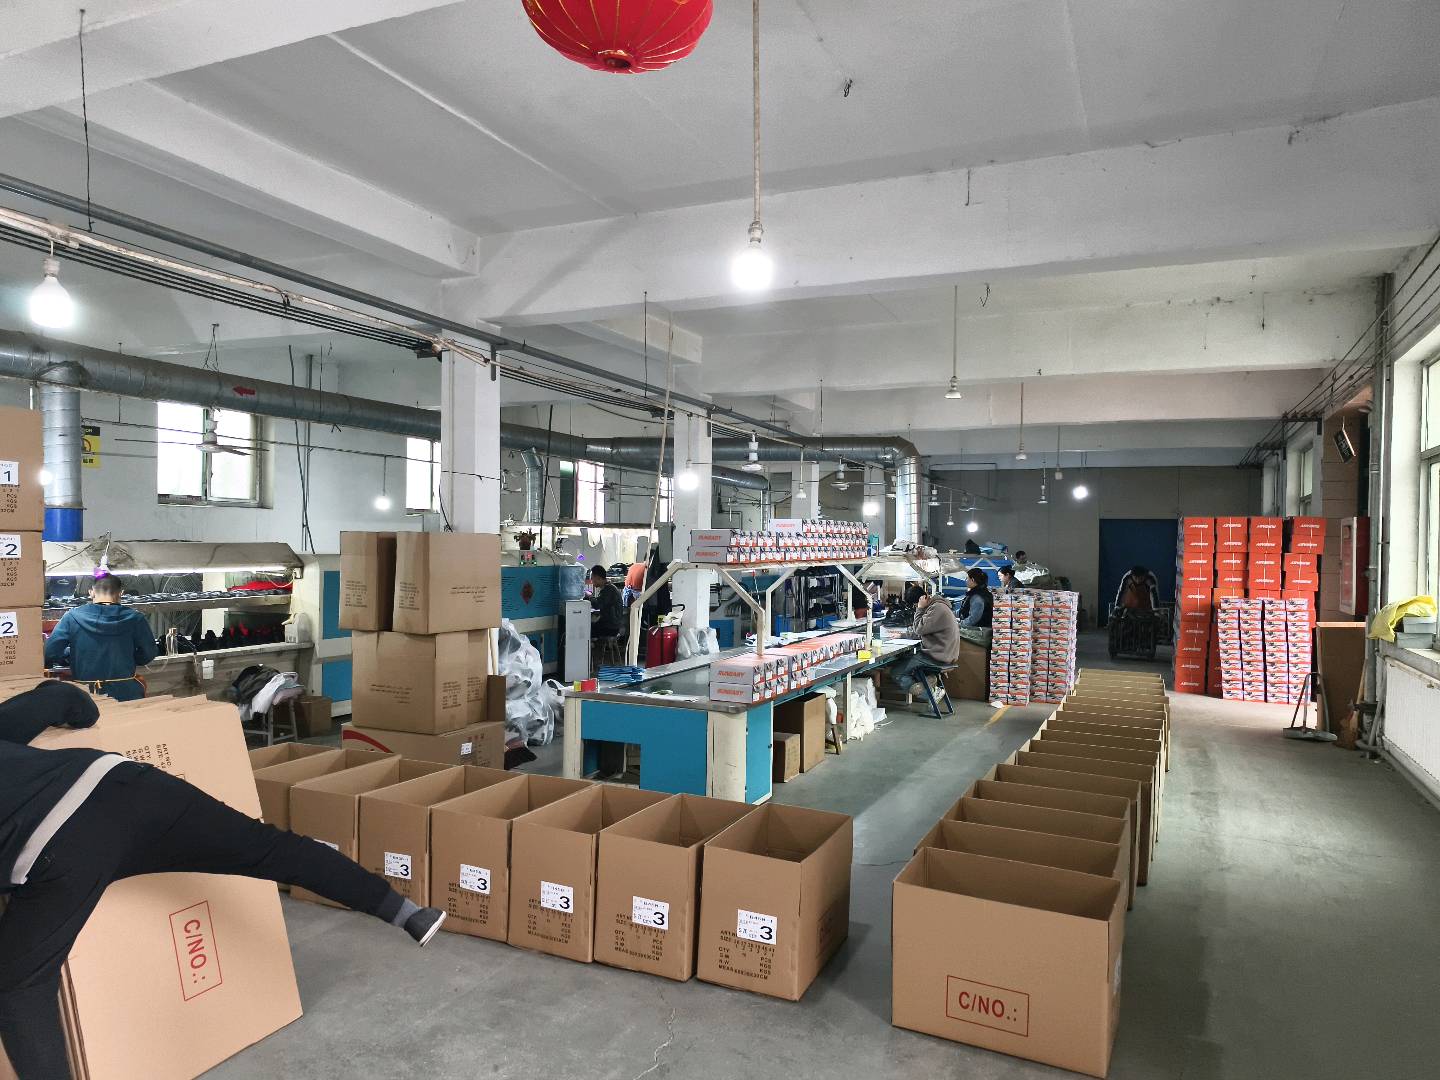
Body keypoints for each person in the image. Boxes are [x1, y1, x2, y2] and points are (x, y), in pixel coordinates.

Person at [0, 681, 446, 1079]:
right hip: (126, 784)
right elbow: (66, 699)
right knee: (272, 850)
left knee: (19, 985)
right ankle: (408, 913)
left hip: (58, 845)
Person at [43, 575, 159, 702]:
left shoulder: (71, 617)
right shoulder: (136, 618)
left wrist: (71, 655)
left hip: (86, 696)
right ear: (121, 593)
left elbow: (50, 652)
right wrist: (128, 657)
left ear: (91, 593)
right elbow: (149, 653)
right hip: (126, 693)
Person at [889, 592, 959, 695]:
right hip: (943, 654)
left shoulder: (937, 608)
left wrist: (920, 608)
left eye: (915, 605)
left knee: (897, 672)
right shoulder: (939, 606)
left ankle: (932, 694)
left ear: (922, 599)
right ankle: (928, 680)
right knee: (907, 660)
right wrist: (902, 635)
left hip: (938, 656)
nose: (916, 607)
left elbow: (918, 629)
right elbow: (924, 630)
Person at [956, 568, 994, 646]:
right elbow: (962, 611)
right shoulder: (981, 593)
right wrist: (949, 613)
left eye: (967, 578)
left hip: (980, 634)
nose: (965, 580)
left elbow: (972, 620)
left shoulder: (977, 597)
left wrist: (958, 624)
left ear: (972, 580)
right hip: (979, 630)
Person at [589, 564, 623, 639]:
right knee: (589, 625)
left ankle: (589, 645)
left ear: (597, 577)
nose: (591, 581)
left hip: (611, 627)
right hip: (611, 624)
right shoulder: (609, 587)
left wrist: (590, 596)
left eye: (592, 578)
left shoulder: (608, 589)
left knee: (585, 629)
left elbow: (597, 605)